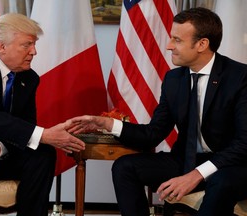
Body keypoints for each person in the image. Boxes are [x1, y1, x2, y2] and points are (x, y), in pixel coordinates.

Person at [68, 7, 247, 216]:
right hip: (186, 160)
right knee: (125, 167)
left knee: (220, 181)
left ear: (202, 44)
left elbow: (243, 144)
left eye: (177, 40)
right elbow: (152, 134)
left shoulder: (239, 77)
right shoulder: (173, 79)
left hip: (233, 165)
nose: (169, 46)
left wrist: (197, 174)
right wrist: (108, 124)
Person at [0, 13, 85, 216]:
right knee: (40, 141)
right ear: (1, 46)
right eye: (26, 45)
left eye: (34, 45)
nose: (33, 52)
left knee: (42, 154)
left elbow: (25, 124)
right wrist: (44, 135)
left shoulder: (29, 78)